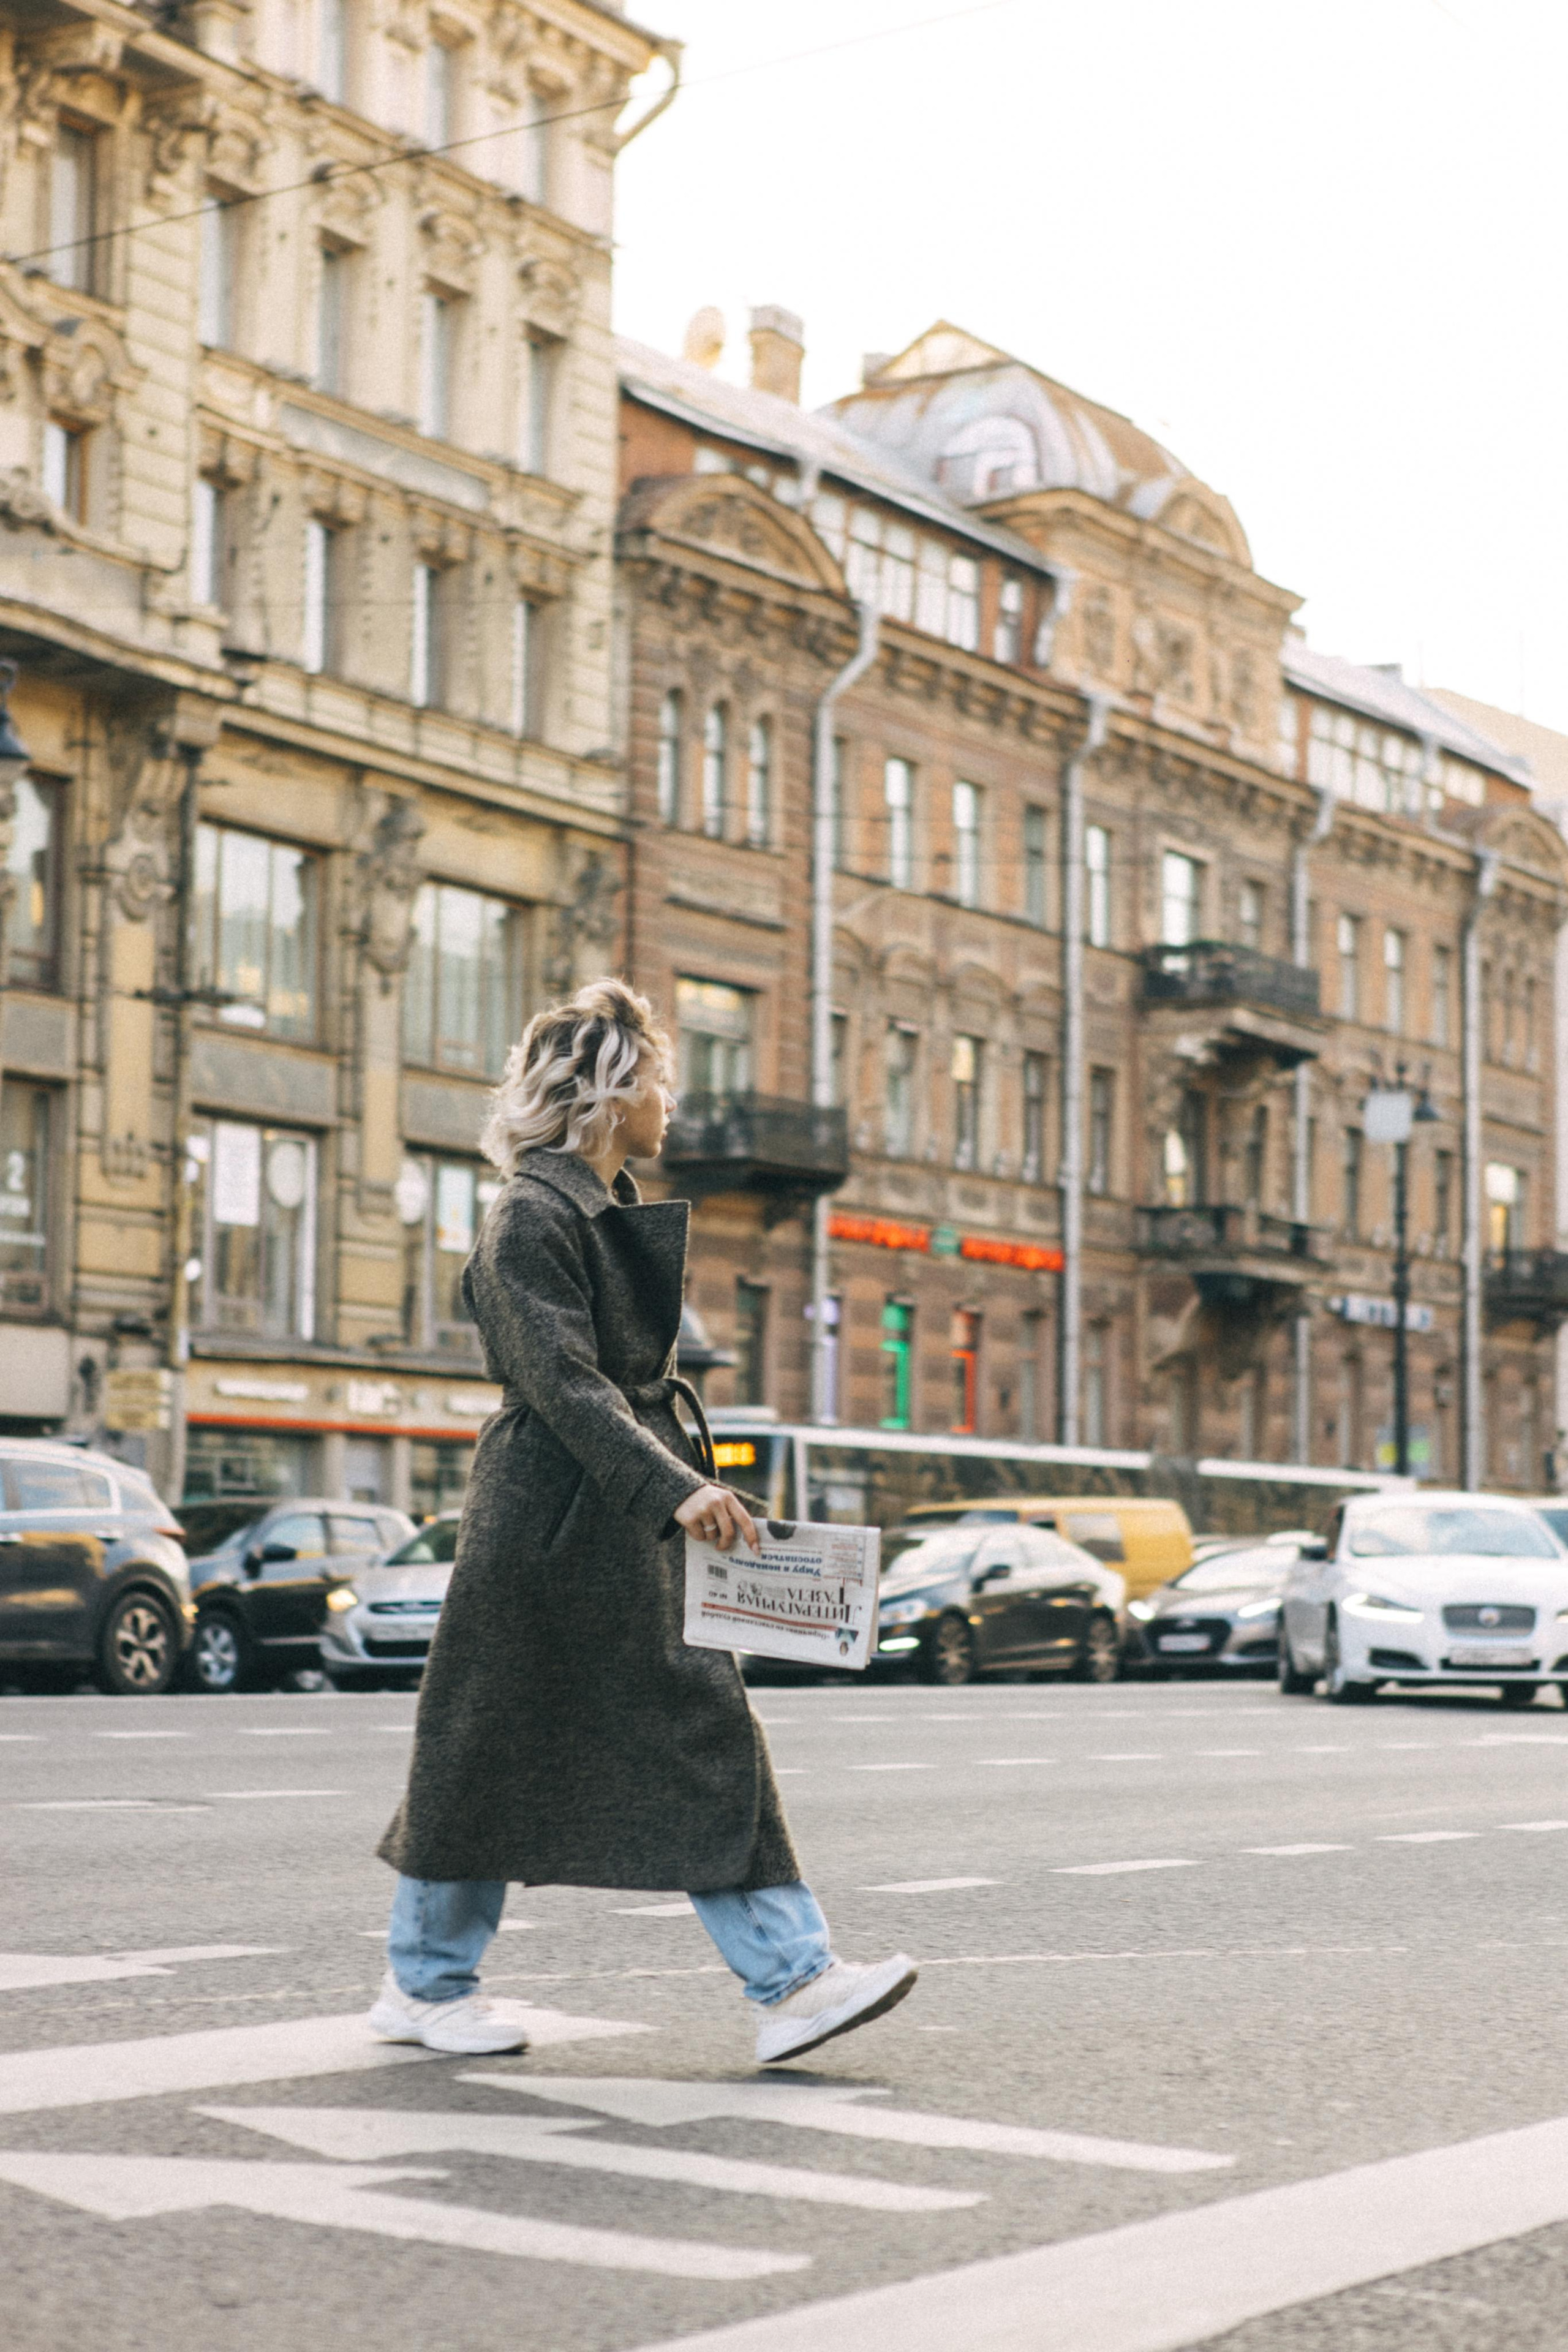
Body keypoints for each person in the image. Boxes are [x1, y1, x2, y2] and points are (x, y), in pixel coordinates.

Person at [370, 978, 916, 2065]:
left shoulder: (586, 1209)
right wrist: (676, 1488)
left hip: (600, 1518)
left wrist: (688, 1489)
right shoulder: (531, 1214)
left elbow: (604, 1394)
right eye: (661, 1078)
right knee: (511, 1743)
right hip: (554, 1525)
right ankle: (786, 1981)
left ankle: (432, 1983)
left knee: (539, 1740)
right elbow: (567, 1387)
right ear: (608, 1097)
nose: (673, 1100)